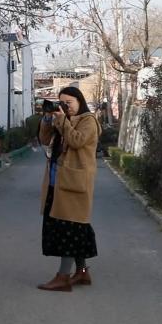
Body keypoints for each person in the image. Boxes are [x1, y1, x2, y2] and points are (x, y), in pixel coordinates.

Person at [36, 86, 101, 292]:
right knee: (75, 228)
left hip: (75, 183)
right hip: (57, 181)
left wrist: (62, 120)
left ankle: (63, 278)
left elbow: (76, 140)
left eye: (69, 103)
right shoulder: (62, 120)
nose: (65, 106)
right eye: (62, 103)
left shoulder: (88, 121)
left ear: (80, 101)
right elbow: (44, 140)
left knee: (69, 229)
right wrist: (48, 119)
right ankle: (82, 272)